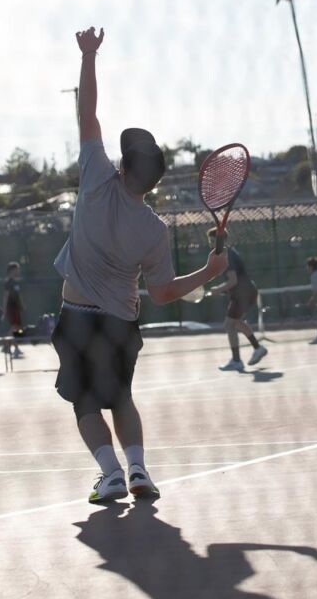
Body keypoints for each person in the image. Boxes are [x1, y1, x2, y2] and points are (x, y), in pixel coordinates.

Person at [52, 26, 228, 505]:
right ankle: (138, 471)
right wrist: (209, 272)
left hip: (77, 318)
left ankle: (111, 474)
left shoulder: (95, 178)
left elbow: (87, 112)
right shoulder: (154, 230)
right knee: (122, 399)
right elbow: (165, 293)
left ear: (123, 167)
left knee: (85, 403)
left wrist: (89, 55)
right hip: (121, 324)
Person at [208, 227, 268, 372]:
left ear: (221, 241)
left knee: (229, 325)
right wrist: (223, 289)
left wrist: (218, 289)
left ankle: (236, 361)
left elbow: (233, 280)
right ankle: (258, 348)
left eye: (213, 241)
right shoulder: (229, 253)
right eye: (210, 241)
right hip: (246, 292)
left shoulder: (226, 255)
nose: (210, 244)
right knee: (236, 323)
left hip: (243, 294)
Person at [2, 261, 25, 358]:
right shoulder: (8, 282)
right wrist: (4, 309)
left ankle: (8, 346)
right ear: (11, 270)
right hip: (11, 308)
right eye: (16, 269)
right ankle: (9, 345)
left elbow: (19, 295)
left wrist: (21, 305)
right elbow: (6, 296)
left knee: (18, 328)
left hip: (17, 308)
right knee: (14, 327)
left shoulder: (16, 282)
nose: (17, 271)